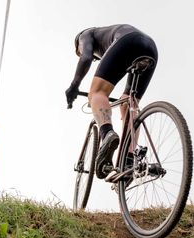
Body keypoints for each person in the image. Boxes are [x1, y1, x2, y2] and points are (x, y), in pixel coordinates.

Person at [65, 24, 158, 179]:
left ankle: (107, 133)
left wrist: (74, 86)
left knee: (97, 92)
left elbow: (86, 57)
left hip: (127, 42)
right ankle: (129, 160)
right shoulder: (107, 36)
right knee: (129, 103)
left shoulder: (85, 35)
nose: (95, 59)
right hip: (150, 47)